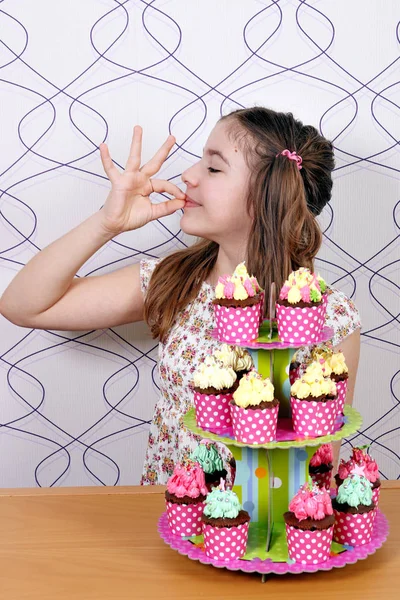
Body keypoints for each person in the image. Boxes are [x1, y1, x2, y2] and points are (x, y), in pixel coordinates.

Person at [0, 107, 361, 484]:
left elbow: (320, 470)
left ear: (269, 196)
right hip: (167, 519)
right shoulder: (175, 281)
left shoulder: (331, 319)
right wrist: (108, 223)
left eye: (214, 168)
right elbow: (23, 306)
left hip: (259, 535)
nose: (188, 175)